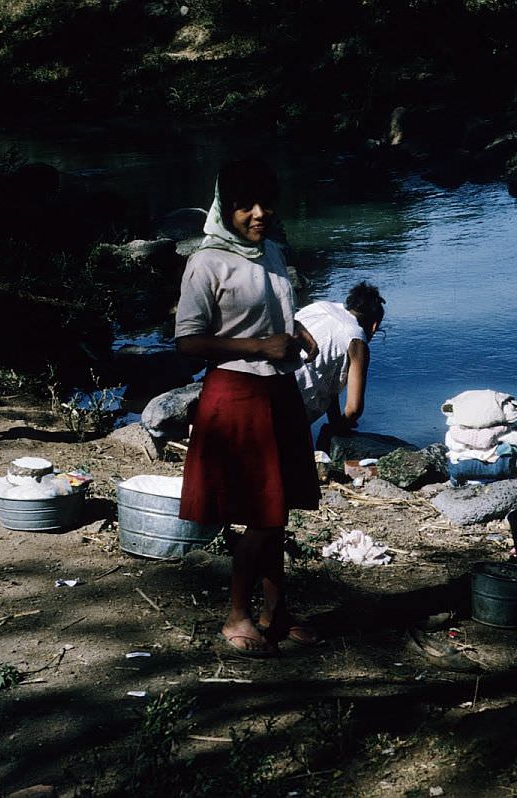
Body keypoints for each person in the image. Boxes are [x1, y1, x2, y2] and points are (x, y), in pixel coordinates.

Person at [174, 159, 321, 657]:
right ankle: (236, 615)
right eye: (245, 206)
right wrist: (261, 348)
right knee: (261, 516)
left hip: (278, 392)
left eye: (265, 203)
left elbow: (276, 309)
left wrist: (296, 331)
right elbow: (188, 342)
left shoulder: (273, 251)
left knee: (279, 511)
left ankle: (275, 612)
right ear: (225, 209)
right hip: (236, 395)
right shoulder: (207, 262)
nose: (259, 214)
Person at [294, 281, 385, 450]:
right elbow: (354, 409)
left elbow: (329, 379)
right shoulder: (356, 339)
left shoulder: (320, 307)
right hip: (292, 401)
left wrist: (334, 420)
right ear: (374, 326)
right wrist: (338, 428)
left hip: (270, 376)